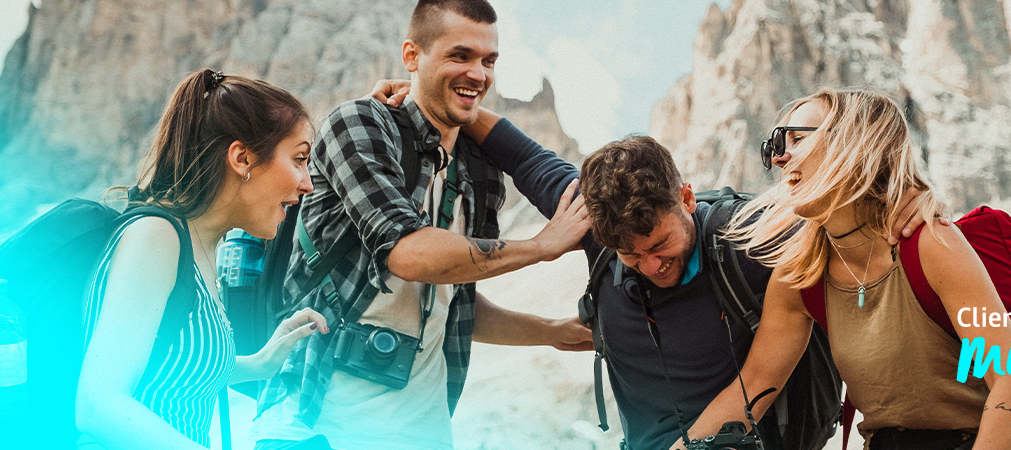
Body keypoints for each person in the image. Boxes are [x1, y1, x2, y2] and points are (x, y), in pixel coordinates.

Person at [362, 77, 933, 448]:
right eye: (628, 256)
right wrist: (432, 96)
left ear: (686, 198)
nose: (649, 266)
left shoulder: (749, 238)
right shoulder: (596, 228)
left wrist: (908, 197)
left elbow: (846, 214)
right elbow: (521, 154)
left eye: (661, 247)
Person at [249, 1, 593, 449]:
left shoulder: (478, 173)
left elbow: (454, 300)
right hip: (314, 426)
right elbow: (409, 254)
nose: (479, 74)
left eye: (489, 61)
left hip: (425, 433)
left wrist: (549, 333)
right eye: (460, 56)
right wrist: (541, 246)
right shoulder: (360, 125)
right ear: (411, 56)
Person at [725, 87, 1011, 450]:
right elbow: (750, 389)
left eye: (796, 139)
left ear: (852, 142)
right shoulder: (800, 274)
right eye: (775, 146)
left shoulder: (930, 245)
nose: (780, 157)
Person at [75, 69, 331, 450]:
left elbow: (174, 368)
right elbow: (99, 404)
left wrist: (262, 360)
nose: (307, 183)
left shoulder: (200, 247)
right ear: (242, 158)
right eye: (298, 159)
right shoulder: (156, 237)